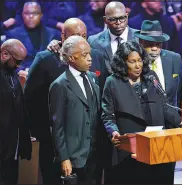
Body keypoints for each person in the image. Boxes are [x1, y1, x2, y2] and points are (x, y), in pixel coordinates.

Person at [24, 17, 106, 184]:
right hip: (58, 145)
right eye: (75, 35)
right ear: (63, 36)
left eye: (84, 36)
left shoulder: (96, 57)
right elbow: (30, 100)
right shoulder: (46, 60)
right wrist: (44, 135)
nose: (80, 40)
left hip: (91, 146)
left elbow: (103, 97)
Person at [102, 41, 181, 184]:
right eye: (132, 62)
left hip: (155, 146)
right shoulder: (112, 82)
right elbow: (108, 115)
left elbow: (165, 106)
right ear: (123, 62)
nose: (138, 66)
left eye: (139, 60)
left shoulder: (151, 77)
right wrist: (113, 131)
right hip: (129, 150)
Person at [49, 35, 101, 184]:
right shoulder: (60, 85)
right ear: (71, 58)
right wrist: (64, 158)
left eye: (90, 54)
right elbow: (56, 126)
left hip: (94, 154)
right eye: (85, 55)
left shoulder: (92, 78)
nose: (90, 58)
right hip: (74, 157)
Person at [0, 39, 32, 184]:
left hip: (11, 147)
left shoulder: (12, 74)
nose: (19, 65)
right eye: (17, 61)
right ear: (5, 54)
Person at [134, 20, 182, 108]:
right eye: (150, 44)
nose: (154, 48)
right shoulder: (134, 62)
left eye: (158, 44)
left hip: (171, 118)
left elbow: (181, 92)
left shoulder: (175, 59)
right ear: (141, 42)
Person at [5, 2, 60, 72]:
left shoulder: (54, 34)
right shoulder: (12, 35)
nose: (31, 16)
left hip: (49, 76)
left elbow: (59, 60)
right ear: (22, 15)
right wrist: (23, 70)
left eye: (35, 13)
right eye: (27, 13)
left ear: (41, 15)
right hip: (22, 76)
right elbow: (8, 61)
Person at [88, 1, 138, 74]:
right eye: (113, 19)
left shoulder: (140, 38)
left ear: (127, 16)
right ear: (105, 20)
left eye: (122, 18)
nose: (118, 23)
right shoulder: (94, 42)